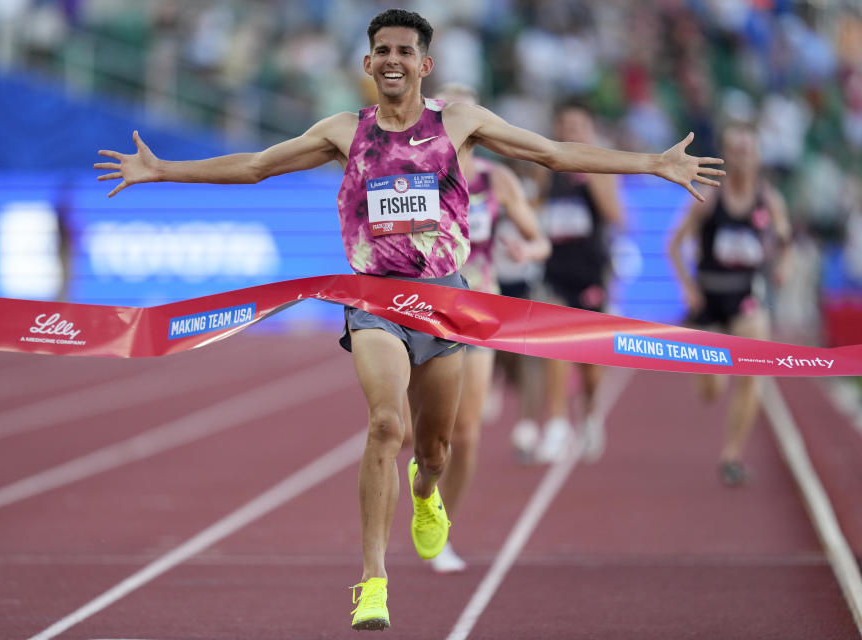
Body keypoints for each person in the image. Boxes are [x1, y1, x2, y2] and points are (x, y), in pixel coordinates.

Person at [94, 8, 724, 631]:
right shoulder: (345, 131)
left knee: (437, 449)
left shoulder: (461, 122)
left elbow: (554, 153)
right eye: (382, 51)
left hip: (444, 301)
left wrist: (652, 164)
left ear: (425, 64)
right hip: (374, 301)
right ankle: (372, 581)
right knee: (384, 424)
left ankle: (426, 497)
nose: (392, 60)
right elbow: (258, 165)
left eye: (404, 51)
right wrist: (162, 170)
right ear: (368, 63)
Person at [409, 83, 551, 574]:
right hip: (423, 306)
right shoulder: (416, 173)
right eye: (446, 109)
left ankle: (444, 528)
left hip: (480, 310)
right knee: (412, 432)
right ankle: (412, 499)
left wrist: (527, 251)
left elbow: (540, 241)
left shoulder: (499, 181)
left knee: (465, 434)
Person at [668, 121, 791, 487]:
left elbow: (785, 241)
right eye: (736, 152)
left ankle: (732, 455)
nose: (742, 158)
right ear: (726, 157)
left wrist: (783, 265)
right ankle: (710, 377)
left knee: (753, 370)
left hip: (746, 294)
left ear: (757, 157)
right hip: (709, 294)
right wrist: (687, 287)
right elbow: (674, 246)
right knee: (711, 389)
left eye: (748, 151)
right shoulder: (710, 198)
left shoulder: (769, 199)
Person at [509, 100, 624, 464]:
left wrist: (587, 173)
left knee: (590, 366)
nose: (569, 134)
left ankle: (589, 414)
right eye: (564, 127)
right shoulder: (549, 169)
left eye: (577, 127)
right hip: (554, 273)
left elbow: (615, 215)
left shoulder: (601, 170)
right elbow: (537, 208)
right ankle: (557, 425)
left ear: (588, 132)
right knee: (555, 348)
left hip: (590, 275)